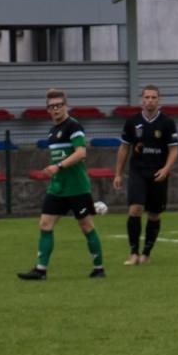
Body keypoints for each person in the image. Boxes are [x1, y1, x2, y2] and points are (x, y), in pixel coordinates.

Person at [18, 89, 106, 280]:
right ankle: (40, 270)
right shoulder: (52, 132)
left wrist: (58, 166)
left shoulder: (73, 126)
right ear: (47, 109)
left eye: (59, 105)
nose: (56, 109)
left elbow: (81, 152)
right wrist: (55, 171)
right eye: (52, 106)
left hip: (76, 187)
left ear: (66, 106)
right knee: (45, 224)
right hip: (58, 188)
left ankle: (99, 268)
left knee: (86, 226)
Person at [113, 84, 178, 265]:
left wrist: (166, 169)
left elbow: (173, 150)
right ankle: (133, 253)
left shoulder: (167, 122)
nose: (150, 100)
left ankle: (146, 253)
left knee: (154, 214)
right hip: (138, 171)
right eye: (147, 97)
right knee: (135, 208)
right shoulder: (132, 122)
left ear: (159, 100)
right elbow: (124, 148)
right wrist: (118, 173)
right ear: (142, 100)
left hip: (158, 173)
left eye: (153, 97)